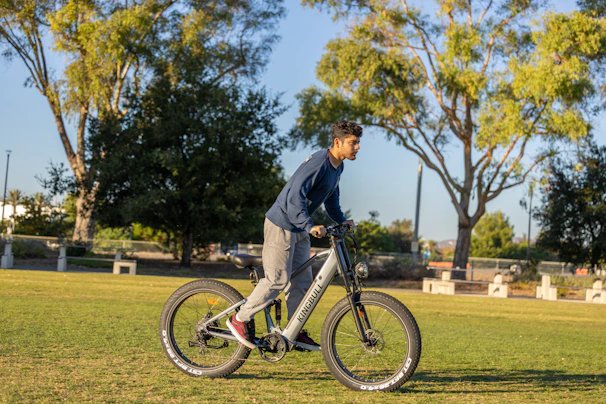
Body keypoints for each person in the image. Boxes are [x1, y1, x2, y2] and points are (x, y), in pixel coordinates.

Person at [227, 120, 362, 350]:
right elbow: (294, 197)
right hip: (282, 224)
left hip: (299, 227)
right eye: (353, 143)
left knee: (302, 282)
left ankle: (293, 331)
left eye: (358, 143)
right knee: (276, 280)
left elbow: (330, 199)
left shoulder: (337, 166)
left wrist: (340, 221)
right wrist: (309, 225)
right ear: (337, 142)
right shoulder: (319, 162)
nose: (357, 147)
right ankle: (239, 319)